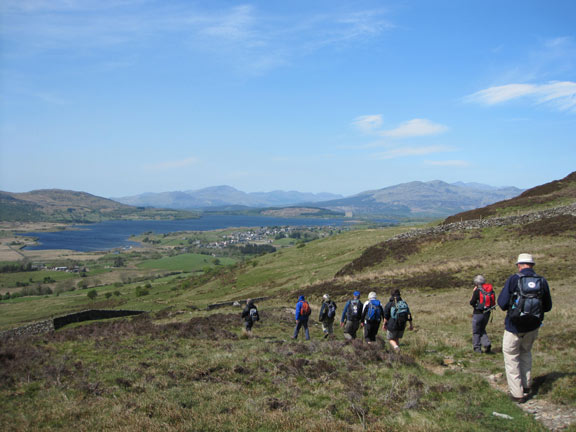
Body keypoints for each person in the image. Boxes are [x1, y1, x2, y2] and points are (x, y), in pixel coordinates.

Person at [497, 253, 552, 403]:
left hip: (513, 326)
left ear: (519, 265)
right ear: (532, 265)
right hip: (533, 326)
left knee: (511, 357)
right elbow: (547, 307)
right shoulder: (541, 281)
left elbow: (501, 303)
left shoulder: (514, 279)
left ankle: (517, 393)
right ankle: (526, 385)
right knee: (525, 352)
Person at [469, 275, 495, 353]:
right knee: (482, 328)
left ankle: (477, 348)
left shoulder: (477, 291)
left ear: (476, 283)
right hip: (487, 312)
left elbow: (472, 302)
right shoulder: (490, 290)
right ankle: (486, 344)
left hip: (478, 313)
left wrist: (473, 292)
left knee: (476, 331)